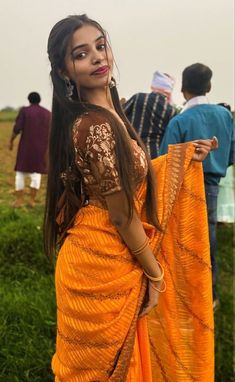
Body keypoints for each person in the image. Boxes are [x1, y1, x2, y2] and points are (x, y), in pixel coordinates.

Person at [45, 16, 217, 381]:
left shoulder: (108, 113)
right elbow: (122, 215)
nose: (96, 57)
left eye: (100, 45)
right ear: (64, 71)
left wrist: (182, 158)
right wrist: (156, 274)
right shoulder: (95, 125)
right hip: (100, 265)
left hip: (109, 253)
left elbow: (132, 177)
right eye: (81, 54)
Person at [160, 63, 234, 308]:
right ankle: (208, 296)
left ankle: (181, 295)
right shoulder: (225, 116)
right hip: (212, 187)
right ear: (209, 86)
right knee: (207, 242)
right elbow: (232, 154)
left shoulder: (179, 122)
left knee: (181, 241)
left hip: (184, 188)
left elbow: (166, 162)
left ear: (183, 90)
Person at [9, 92, 51, 207]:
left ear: (29, 99)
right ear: (39, 100)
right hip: (41, 150)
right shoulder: (48, 114)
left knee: (20, 174)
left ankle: (18, 201)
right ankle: (32, 201)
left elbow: (17, 128)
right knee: (36, 174)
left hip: (25, 148)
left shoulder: (25, 111)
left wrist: (11, 141)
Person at [123, 71, 176, 158]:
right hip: (155, 156)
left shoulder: (138, 98)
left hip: (132, 153)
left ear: (154, 85)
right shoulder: (171, 110)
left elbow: (119, 116)